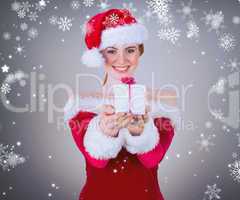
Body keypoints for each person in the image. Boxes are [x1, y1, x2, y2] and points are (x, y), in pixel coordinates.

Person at [64, 8, 178, 200]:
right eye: (111, 51)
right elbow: (96, 162)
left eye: (130, 50)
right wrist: (104, 131)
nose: (122, 59)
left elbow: (152, 160)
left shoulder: (162, 102)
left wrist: (140, 132)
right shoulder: (82, 103)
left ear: (139, 51)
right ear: (100, 55)